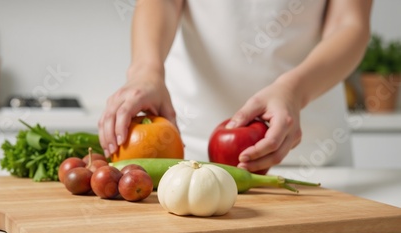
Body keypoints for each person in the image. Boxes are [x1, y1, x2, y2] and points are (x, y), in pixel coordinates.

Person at [98, 0, 373, 173]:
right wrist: (147, 71)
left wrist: (294, 90)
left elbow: (349, 22)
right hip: (190, 157)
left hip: (313, 153)